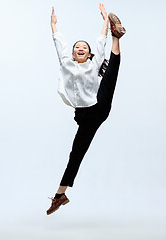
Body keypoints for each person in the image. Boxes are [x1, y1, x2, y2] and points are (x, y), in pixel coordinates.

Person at [47, 4, 126, 215]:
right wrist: (53, 26)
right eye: (77, 47)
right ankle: (59, 196)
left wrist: (105, 22)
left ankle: (116, 36)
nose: (80, 48)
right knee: (75, 155)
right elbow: (59, 44)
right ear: (73, 53)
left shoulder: (93, 63)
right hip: (85, 117)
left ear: (88, 53)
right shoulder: (66, 63)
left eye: (84, 47)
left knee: (110, 73)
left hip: (99, 105)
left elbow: (100, 44)